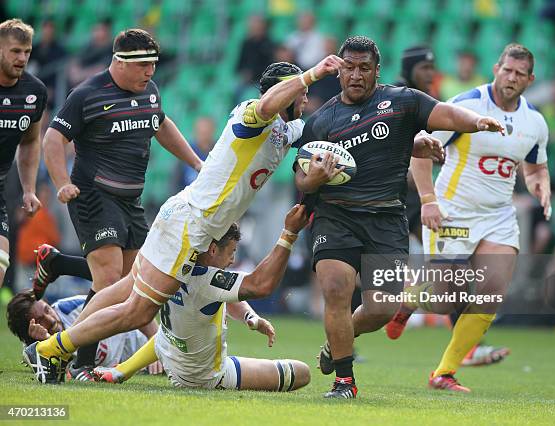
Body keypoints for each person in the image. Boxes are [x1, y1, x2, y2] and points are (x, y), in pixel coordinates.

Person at [24, 54, 345, 385]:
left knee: (126, 288)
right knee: (138, 310)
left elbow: (318, 125)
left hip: (188, 218)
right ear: (284, 92)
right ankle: (54, 348)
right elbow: (267, 107)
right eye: (300, 94)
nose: (305, 100)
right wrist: (311, 74)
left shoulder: (284, 130)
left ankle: (55, 348)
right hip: (192, 225)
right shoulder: (253, 112)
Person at [293, 36, 504, 399]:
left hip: (386, 219)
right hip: (336, 216)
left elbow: (446, 114)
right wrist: (313, 178)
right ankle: (344, 381)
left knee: (382, 308)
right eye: (349, 68)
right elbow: (301, 177)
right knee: (336, 289)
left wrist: (478, 121)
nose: (355, 75)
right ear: (339, 70)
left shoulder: (402, 102)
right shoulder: (321, 120)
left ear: (377, 71)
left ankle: (338, 342)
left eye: (364, 68)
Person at [40, 28, 203, 380]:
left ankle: (62, 335)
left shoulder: (150, 92)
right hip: (93, 195)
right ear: (119, 62)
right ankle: (77, 363)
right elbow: (53, 139)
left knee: (135, 283)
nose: (150, 72)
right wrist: (61, 183)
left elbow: (161, 125)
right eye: (143, 65)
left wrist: (195, 163)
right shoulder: (87, 95)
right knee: (110, 276)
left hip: (131, 201)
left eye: (154, 65)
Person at [396, 44, 550, 392]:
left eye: (519, 73)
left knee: (491, 292)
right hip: (453, 209)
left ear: (530, 79)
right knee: (447, 296)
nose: (511, 77)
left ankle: (443, 373)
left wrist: (541, 184)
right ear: (496, 68)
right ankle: (411, 298)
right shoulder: (465, 106)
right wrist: (428, 201)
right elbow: (419, 151)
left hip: (498, 215)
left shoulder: (535, 122)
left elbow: (536, 164)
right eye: (507, 70)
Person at [386, 46, 511, 369]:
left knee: (451, 269)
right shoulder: (398, 96)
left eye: (433, 68)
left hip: (422, 196)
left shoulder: (433, 97)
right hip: (396, 194)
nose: (430, 74)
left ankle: (416, 304)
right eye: (424, 68)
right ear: (410, 69)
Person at [93, 221, 310, 392]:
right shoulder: (208, 281)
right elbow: (259, 284)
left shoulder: (171, 269)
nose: (233, 259)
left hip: (171, 358)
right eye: (231, 251)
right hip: (205, 378)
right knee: (301, 372)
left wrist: (249, 317)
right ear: (213, 249)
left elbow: (165, 339)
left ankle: (121, 371)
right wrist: (288, 234)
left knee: (170, 335)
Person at [6, 288, 161, 376]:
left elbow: (132, 309)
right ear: (29, 331)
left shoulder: (71, 307)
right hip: (128, 370)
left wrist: (154, 342)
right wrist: (46, 340)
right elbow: (63, 374)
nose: (51, 319)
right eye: (40, 320)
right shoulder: (34, 350)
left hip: (141, 344)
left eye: (47, 309)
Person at [0, 19, 47, 288]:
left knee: (1, 265)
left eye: (27, 52)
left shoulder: (35, 92)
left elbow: (30, 141)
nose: (22, 58)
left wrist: (29, 190)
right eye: (15, 51)